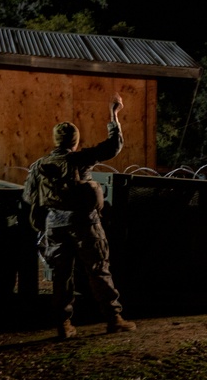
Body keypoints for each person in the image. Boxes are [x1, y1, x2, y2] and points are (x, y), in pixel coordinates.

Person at [27, 93, 136, 339]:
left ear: (55, 140)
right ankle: (113, 318)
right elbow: (113, 146)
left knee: (61, 276)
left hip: (54, 226)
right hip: (85, 225)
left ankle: (63, 325)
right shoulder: (80, 159)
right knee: (98, 269)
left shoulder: (39, 165)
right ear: (75, 141)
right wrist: (113, 115)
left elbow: (29, 197)